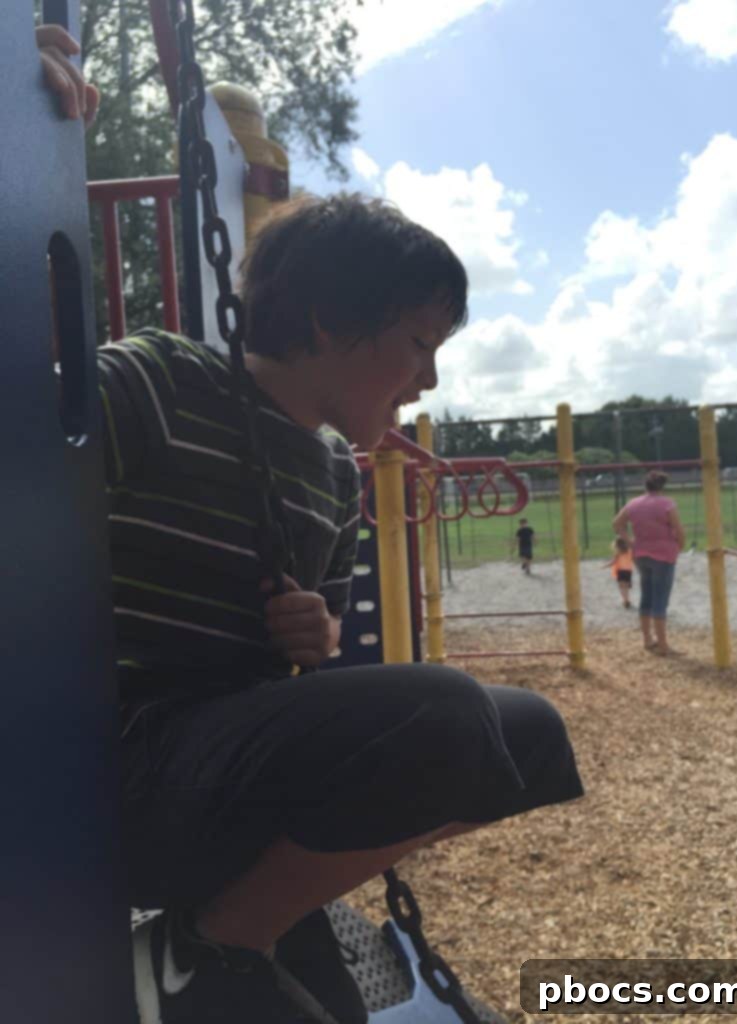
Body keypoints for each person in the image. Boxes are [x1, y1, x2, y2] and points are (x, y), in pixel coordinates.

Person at [38, 27, 584, 1024]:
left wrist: (315, 641)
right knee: (450, 711)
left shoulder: (334, 471)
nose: (430, 377)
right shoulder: (160, 382)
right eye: (420, 342)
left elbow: (300, 676)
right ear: (329, 322)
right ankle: (205, 950)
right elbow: (33, 442)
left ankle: (238, 917)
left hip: (227, 763)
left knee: (533, 735)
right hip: (122, 761)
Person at [613, 470, 685, 655]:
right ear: (662, 486)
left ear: (646, 485)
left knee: (647, 596)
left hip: (641, 553)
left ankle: (647, 639)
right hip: (663, 554)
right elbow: (679, 529)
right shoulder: (667, 504)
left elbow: (617, 524)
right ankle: (663, 645)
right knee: (660, 599)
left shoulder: (634, 503)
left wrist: (629, 541)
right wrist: (679, 546)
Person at [604, 536, 634, 609]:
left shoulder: (618, 553)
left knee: (621, 587)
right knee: (626, 587)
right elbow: (634, 559)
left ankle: (625, 600)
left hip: (621, 571)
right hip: (628, 571)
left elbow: (613, 562)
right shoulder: (630, 551)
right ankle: (627, 599)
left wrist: (605, 566)